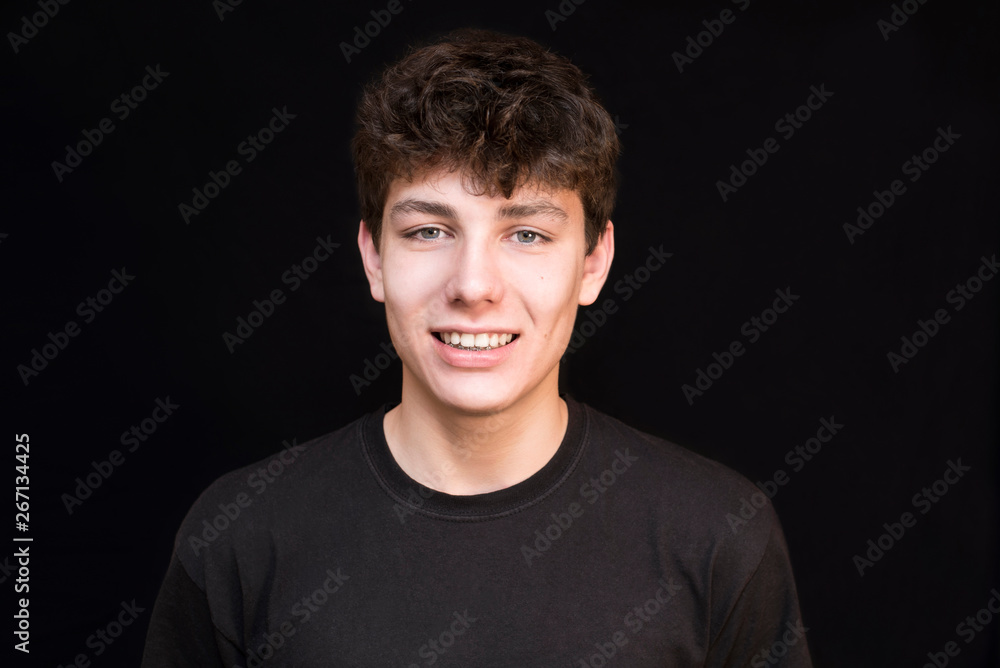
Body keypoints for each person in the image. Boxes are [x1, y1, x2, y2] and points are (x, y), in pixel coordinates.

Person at [141, 28, 813, 667]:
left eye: (527, 234)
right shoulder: (241, 536)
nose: (473, 285)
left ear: (593, 263)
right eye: (430, 231)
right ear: (374, 258)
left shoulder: (717, 536)